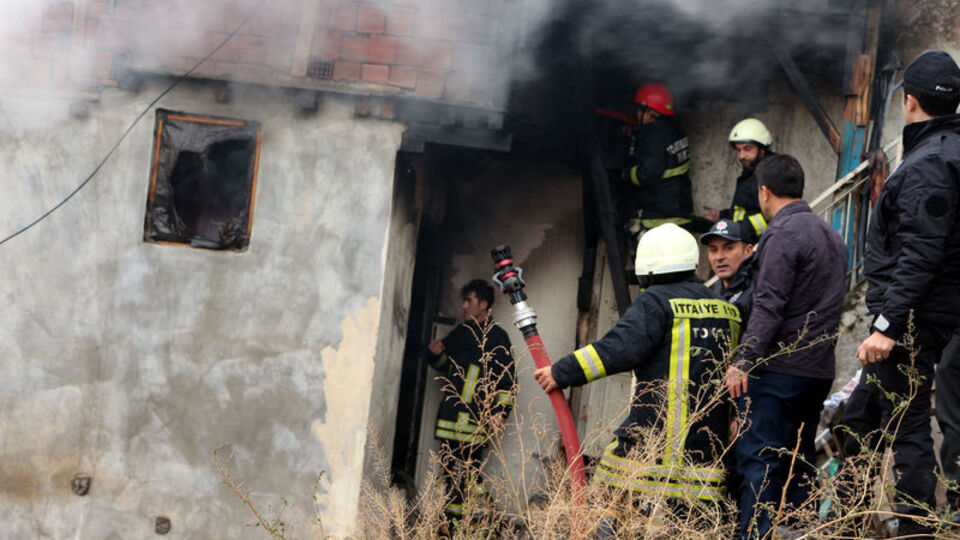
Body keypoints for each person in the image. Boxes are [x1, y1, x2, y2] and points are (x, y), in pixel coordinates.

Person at [533, 223, 741, 523]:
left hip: (651, 442)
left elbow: (618, 348)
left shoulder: (656, 302)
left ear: (649, 267)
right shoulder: (728, 309)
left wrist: (561, 372)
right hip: (708, 455)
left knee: (607, 503)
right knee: (688, 526)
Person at [839, 49, 960, 538]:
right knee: (860, 417)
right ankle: (845, 522)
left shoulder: (932, 162)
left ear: (909, 101)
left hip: (913, 321)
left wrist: (888, 325)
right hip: (924, 315)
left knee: (908, 430)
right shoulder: (944, 152)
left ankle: (915, 529)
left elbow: (922, 252)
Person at [724, 154, 847, 538]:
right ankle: (798, 531)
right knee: (799, 462)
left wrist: (743, 360)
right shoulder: (832, 236)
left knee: (760, 459)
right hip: (817, 372)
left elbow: (769, 304)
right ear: (802, 190)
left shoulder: (781, 234)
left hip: (780, 370)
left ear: (764, 192)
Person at [427, 279, 516, 519]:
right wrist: (433, 354)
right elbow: (445, 367)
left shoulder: (498, 338)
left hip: (476, 422)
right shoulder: (460, 334)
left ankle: (482, 521)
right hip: (450, 421)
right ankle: (454, 525)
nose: (464, 306)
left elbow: (508, 380)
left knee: (468, 476)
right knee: (453, 479)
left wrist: (501, 412)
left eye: (469, 301)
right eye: (464, 301)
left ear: (484, 304)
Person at [622, 83, 696, 235]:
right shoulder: (676, 131)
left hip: (659, 219)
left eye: (638, 110)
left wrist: (625, 173)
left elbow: (646, 175)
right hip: (681, 213)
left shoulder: (653, 136)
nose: (636, 114)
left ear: (648, 113)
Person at [703, 118, 774, 243]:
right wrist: (720, 215)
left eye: (747, 149)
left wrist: (736, 231)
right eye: (738, 150)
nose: (741, 156)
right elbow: (744, 212)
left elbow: (769, 217)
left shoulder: (770, 175)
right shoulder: (751, 173)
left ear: (762, 149)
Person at [700, 219, 756, 327]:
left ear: (748, 251)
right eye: (713, 250)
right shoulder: (717, 288)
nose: (719, 257)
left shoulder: (761, 289)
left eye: (728, 248)